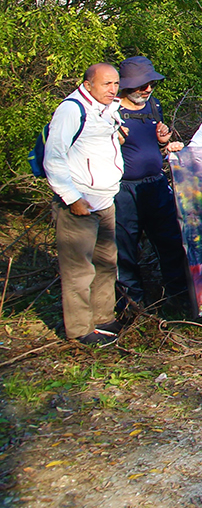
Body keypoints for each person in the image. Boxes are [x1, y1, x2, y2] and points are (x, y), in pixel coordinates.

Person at [44, 63, 125, 346]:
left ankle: (104, 318)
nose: (113, 89)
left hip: (105, 199)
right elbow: (53, 158)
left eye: (115, 84)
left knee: (106, 262)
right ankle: (80, 328)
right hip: (80, 201)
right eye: (106, 84)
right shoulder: (71, 110)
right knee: (79, 269)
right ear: (88, 84)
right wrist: (72, 198)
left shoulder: (107, 109)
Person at [112, 55, 189, 316]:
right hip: (123, 191)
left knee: (171, 244)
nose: (147, 90)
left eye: (150, 84)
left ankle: (177, 302)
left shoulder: (153, 106)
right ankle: (131, 309)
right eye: (141, 85)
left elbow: (152, 146)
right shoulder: (110, 112)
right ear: (125, 86)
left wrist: (162, 143)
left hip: (156, 186)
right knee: (125, 250)